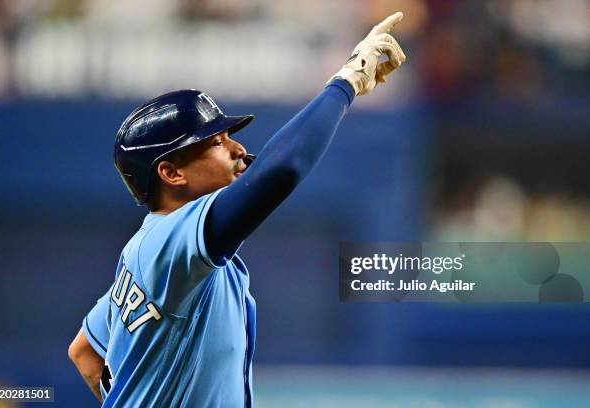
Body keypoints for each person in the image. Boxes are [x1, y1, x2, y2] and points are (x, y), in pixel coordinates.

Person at [68, 12, 406, 407]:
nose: (238, 149)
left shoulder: (155, 252)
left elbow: (84, 352)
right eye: (216, 142)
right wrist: (345, 83)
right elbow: (281, 170)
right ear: (171, 172)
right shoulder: (171, 243)